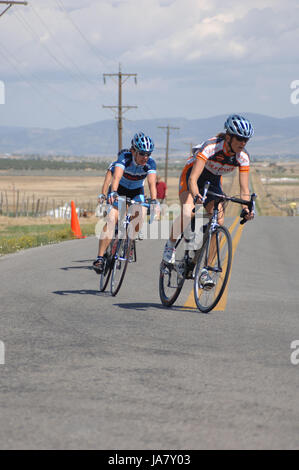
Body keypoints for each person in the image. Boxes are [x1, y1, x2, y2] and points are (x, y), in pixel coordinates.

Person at [162, 114, 255, 288]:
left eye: (246, 140)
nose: (243, 143)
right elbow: (193, 179)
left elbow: (244, 190)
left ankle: (204, 268)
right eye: (240, 139)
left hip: (213, 181)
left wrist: (247, 208)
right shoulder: (211, 147)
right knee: (188, 211)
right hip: (193, 176)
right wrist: (197, 195)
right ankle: (170, 246)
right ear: (229, 137)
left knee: (218, 222)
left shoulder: (243, 157)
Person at [93, 132, 159, 273]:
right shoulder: (124, 158)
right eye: (142, 153)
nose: (145, 157)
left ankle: (129, 241)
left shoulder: (150, 163)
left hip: (136, 191)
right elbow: (114, 178)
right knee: (111, 219)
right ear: (133, 151)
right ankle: (99, 258)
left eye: (148, 154)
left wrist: (154, 201)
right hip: (120, 190)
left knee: (141, 212)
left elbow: (152, 184)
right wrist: (111, 193)